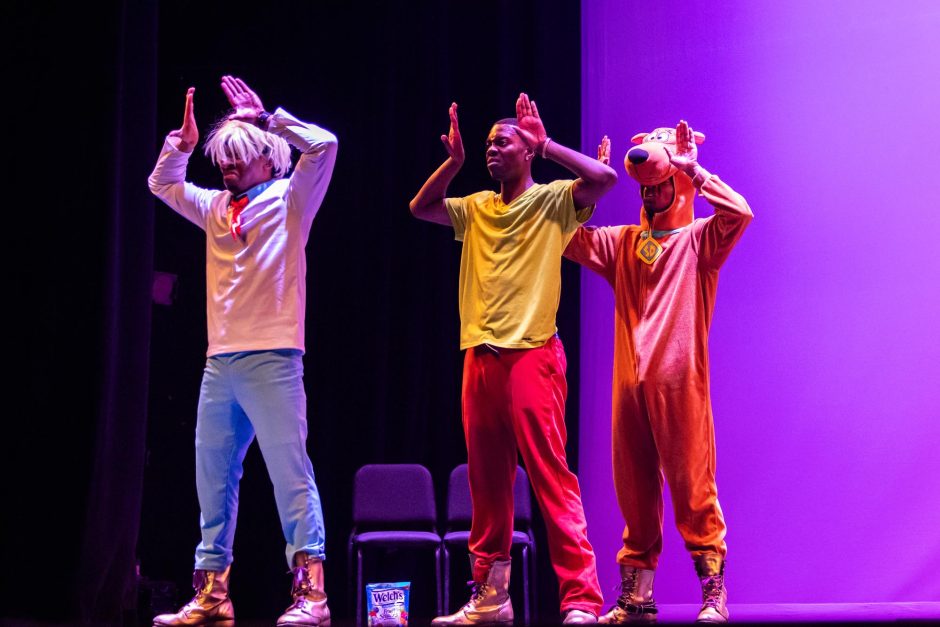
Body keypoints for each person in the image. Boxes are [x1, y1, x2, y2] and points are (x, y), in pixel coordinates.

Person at [410, 94, 617, 625]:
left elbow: (603, 179)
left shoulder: (552, 201)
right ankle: (491, 597)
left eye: (502, 142)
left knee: (551, 477)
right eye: (487, 145)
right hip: (479, 357)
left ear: (526, 152)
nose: (491, 150)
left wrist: (546, 142)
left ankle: (580, 600)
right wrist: (453, 164)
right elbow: (422, 208)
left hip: (532, 357)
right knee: (487, 484)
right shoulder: (476, 206)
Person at [147, 75, 338, 627]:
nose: (227, 168)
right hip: (220, 361)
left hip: (275, 357)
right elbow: (162, 185)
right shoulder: (214, 208)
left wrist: (265, 118)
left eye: (237, 157)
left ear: (264, 158)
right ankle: (212, 594)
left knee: (290, 476)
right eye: (222, 159)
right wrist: (181, 145)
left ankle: (312, 596)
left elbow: (324, 144)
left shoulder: (291, 198)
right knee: (213, 478)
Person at [564, 122, 752, 624]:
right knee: (634, 490)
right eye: (644, 189)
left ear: (678, 186)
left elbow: (740, 214)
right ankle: (637, 598)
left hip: (681, 390)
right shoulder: (624, 243)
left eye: (660, 186)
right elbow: (565, 238)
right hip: (630, 391)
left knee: (693, 487)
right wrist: (591, 186)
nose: (650, 194)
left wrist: (697, 171)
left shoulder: (699, 242)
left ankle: (713, 593)